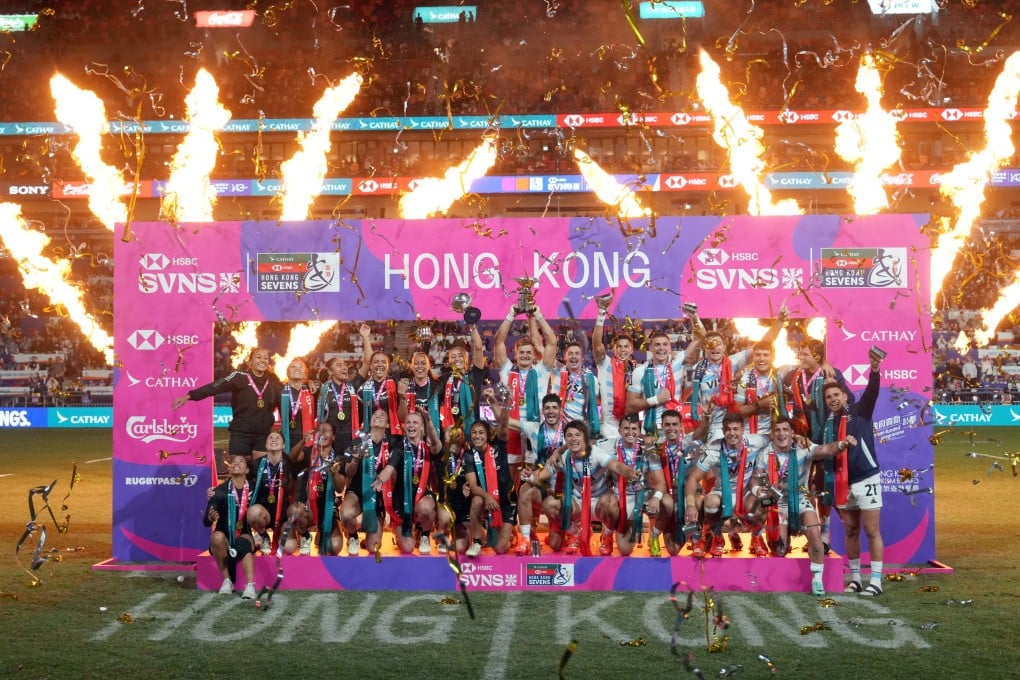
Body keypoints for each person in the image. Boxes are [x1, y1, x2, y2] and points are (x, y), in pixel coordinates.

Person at [751, 416, 850, 595]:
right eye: (778, 430)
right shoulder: (764, 453)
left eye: (785, 430)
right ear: (772, 434)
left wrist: (842, 444)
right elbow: (755, 479)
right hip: (777, 504)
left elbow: (826, 449)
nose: (781, 433)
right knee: (779, 550)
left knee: (815, 536)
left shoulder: (804, 448)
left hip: (800, 500)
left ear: (792, 433)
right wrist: (759, 491)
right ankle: (783, 533)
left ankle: (817, 580)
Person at [824, 348, 885, 596]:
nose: (833, 399)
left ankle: (877, 581)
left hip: (866, 478)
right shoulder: (829, 423)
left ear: (845, 396)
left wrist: (874, 370)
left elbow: (872, 391)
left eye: (836, 394)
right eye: (828, 397)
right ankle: (857, 579)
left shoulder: (861, 411)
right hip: (842, 482)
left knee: (871, 531)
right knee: (850, 530)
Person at [536, 420, 639, 556]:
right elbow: (543, 474)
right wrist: (528, 477)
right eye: (569, 435)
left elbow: (616, 465)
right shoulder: (563, 456)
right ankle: (575, 534)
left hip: (599, 504)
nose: (574, 439)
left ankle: (607, 536)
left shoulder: (596, 453)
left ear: (584, 437)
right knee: (549, 503)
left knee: (611, 503)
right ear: (565, 439)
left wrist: (630, 472)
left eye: (578, 435)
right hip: (577, 503)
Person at [786, 337, 850, 551]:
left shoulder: (832, 375)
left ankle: (824, 534)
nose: (800, 357)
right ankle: (811, 534)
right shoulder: (795, 376)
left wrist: (826, 366)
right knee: (804, 487)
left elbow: (848, 400)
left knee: (824, 488)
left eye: (805, 354)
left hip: (826, 442)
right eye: (800, 353)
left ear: (817, 356)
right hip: (803, 441)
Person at [690, 307, 787, 441]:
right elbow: (684, 395)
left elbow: (763, 344)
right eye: (710, 345)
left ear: (725, 347)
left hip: (731, 425)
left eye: (718, 344)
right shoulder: (696, 370)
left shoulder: (733, 362)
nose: (715, 348)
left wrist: (779, 322)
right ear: (704, 347)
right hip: (708, 425)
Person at [684, 412, 769, 558]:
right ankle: (714, 536)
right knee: (710, 503)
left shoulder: (757, 442)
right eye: (728, 429)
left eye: (736, 429)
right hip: (722, 491)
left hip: (746, 492)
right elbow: (693, 478)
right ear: (723, 432)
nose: (732, 433)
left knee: (766, 501)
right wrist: (691, 505)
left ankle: (756, 537)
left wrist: (799, 438)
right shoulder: (713, 450)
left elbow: (776, 440)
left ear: (743, 430)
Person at [174, 347, 282, 458]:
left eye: (266, 358)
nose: (263, 360)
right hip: (241, 432)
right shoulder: (239, 376)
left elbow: (282, 402)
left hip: (263, 433)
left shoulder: (274, 381)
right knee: (239, 467)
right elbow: (216, 386)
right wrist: (190, 395)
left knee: (260, 469)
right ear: (250, 362)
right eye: (258, 357)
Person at [371, 409, 446, 555]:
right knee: (407, 548)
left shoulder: (429, 448)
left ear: (422, 428)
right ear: (404, 427)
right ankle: (402, 532)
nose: (411, 425)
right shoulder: (399, 448)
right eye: (408, 422)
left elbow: (436, 443)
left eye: (415, 422)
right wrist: (380, 480)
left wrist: (428, 420)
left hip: (422, 496)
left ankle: (424, 535)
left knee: (426, 507)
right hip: (401, 501)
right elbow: (389, 467)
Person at [494, 302, 557, 476]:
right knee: (512, 474)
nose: (525, 355)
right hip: (512, 428)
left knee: (533, 473)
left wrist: (539, 316)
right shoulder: (507, 370)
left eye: (529, 352)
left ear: (533, 355)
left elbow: (551, 343)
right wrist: (510, 315)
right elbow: (498, 342)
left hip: (535, 427)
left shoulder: (541, 371)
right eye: (522, 352)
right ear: (516, 354)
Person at [646, 408, 708, 556]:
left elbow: (700, 433)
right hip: (668, 495)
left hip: (687, 497)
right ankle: (654, 535)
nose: (671, 428)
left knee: (699, 501)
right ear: (662, 426)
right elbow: (659, 481)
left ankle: (696, 538)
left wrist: (707, 417)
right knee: (673, 550)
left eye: (675, 424)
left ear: (681, 426)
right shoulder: (657, 449)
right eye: (667, 425)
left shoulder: (689, 442)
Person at [627, 312, 702, 436]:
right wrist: (656, 399)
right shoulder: (640, 371)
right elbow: (630, 406)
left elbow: (700, 338)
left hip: (675, 428)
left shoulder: (678, 364)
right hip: (651, 431)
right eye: (657, 344)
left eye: (665, 344)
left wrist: (694, 317)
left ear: (670, 348)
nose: (661, 348)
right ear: (650, 347)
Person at [512, 393, 566, 555]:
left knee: (556, 545)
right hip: (541, 486)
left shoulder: (570, 431)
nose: (551, 411)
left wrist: (559, 450)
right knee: (525, 490)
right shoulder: (534, 428)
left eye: (554, 408)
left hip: (560, 489)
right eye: (547, 408)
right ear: (543, 411)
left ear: (560, 410)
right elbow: (504, 421)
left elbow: (587, 440)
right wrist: (498, 403)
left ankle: (560, 532)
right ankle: (526, 539)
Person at [338, 409, 396, 557]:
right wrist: (355, 459)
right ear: (369, 423)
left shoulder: (393, 443)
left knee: (373, 547)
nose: (377, 416)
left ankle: (371, 532)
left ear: (388, 424)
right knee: (345, 514)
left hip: (379, 496)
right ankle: (353, 536)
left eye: (382, 415)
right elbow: (349, 473)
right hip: (357, 491)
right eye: (374, 415)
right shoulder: (357, 442)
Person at [609, 415, 665, 556]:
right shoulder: (610, 447)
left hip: (642, 495)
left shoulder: (648, 449)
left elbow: (660, 482)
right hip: (621, 497)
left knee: (667, 503)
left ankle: (653, 537)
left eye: (634, 429)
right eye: (626, 428)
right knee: (625, 550)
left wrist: (656, 497)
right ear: (619, 430)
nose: (630, 432)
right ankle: (607, 532)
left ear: (639, 430)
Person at [204, 454, 258, 599]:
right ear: (229, 469)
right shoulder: (220, 491)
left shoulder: (255, 488)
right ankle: (227, 581)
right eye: (233, 461)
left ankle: (250, 585)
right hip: (225, 536)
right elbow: (206, 522)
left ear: (247, 470)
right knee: (216, 538)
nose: (236, 463)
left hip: (245, 534)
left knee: (244, 542)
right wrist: (210, 517)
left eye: (241, 461)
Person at [463, 417, 517, 557]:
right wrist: (487, 496)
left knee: (499, 548)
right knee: (476, 501)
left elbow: (504, 424)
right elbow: (473, 486)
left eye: (481, 432)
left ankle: (510, 536)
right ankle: (476, 542)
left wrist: (504, 405)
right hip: (486, 499)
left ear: (488, 435)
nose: (477, 436)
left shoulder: (499, 446)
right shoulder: (469, 455)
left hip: (505, 501)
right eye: (474, 432)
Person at [293, 421, 344, 556]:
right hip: (307, 505)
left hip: (328, 508)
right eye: (319, 430)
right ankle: (304, 536)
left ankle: (323, 531)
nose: (322, 433)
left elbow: (340, 488)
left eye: (326, 430)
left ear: (333, 436)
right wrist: (303, 442)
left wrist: (335, 473)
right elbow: (292, 458)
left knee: (335, 547)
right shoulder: (308, 452)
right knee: (295, 511)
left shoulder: (338, 458)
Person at [247, 430, 295, 555]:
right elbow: (242, 483)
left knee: (288, 548)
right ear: (266, 445)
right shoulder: (256, 465)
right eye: (270, 438)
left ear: (284, 445)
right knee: (253, 512)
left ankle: (293, 534)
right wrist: (216, 491)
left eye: (277, 438)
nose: (274, 439)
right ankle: (263, 536)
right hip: (264, 513)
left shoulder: (290, 464)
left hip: (284, 515)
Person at [357, 323, 406, 436]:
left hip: (393, 434)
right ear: (370, 365)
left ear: (388, 366)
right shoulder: (362, 388)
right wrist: (365, 337)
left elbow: (403, 417)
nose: (380, 365)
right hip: (370, 435)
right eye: (376, 362)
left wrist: (402, 398)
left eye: (384, 362)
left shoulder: (396, 384)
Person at [735, 340, 792, 436]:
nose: (761, 359)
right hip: (751, 434)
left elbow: (805, 366)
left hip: (776, 434)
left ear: (773, 357)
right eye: (758, 355)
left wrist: (824, 364)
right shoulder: (744, 380)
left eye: (765, 355)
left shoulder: (781, 374)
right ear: (753, 357)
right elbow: (738, 412)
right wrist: (759, 405)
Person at [317, 356, 362, 461]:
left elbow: (366, 364)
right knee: (330, 470)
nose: (344, 368)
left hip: (350, 437)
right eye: (339, 365)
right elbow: (320, 417)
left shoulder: (353, 386)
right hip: (331, 439)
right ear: (330, 371)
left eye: (345, 365)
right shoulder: (323, 389)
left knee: (349, 470)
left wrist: (364, 338)